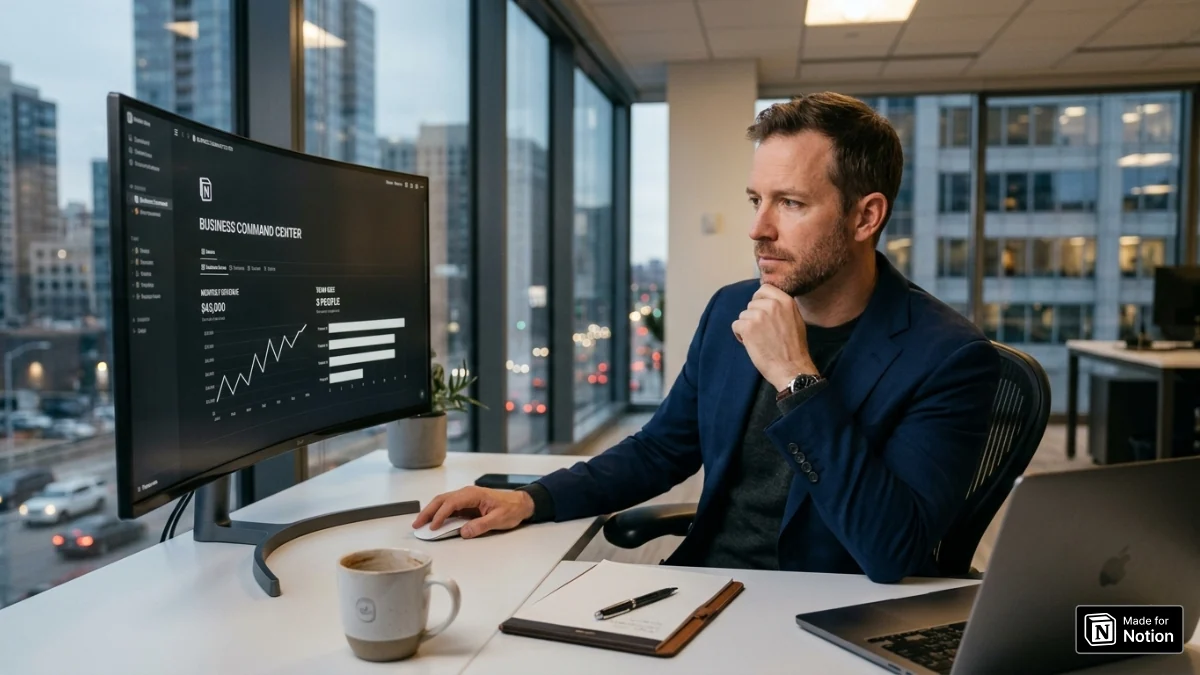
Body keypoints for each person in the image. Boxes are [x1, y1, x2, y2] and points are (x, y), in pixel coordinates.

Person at [413, 92, 1002, 583]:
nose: (758, 228)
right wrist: (533, 499)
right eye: (755, 200)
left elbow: (891, 551)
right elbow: (660, 448)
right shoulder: (731, 308)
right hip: (705, 585)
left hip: (825, 613)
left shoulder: (948, 357)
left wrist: (797, 378)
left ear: (865, 217)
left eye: (790, 203)